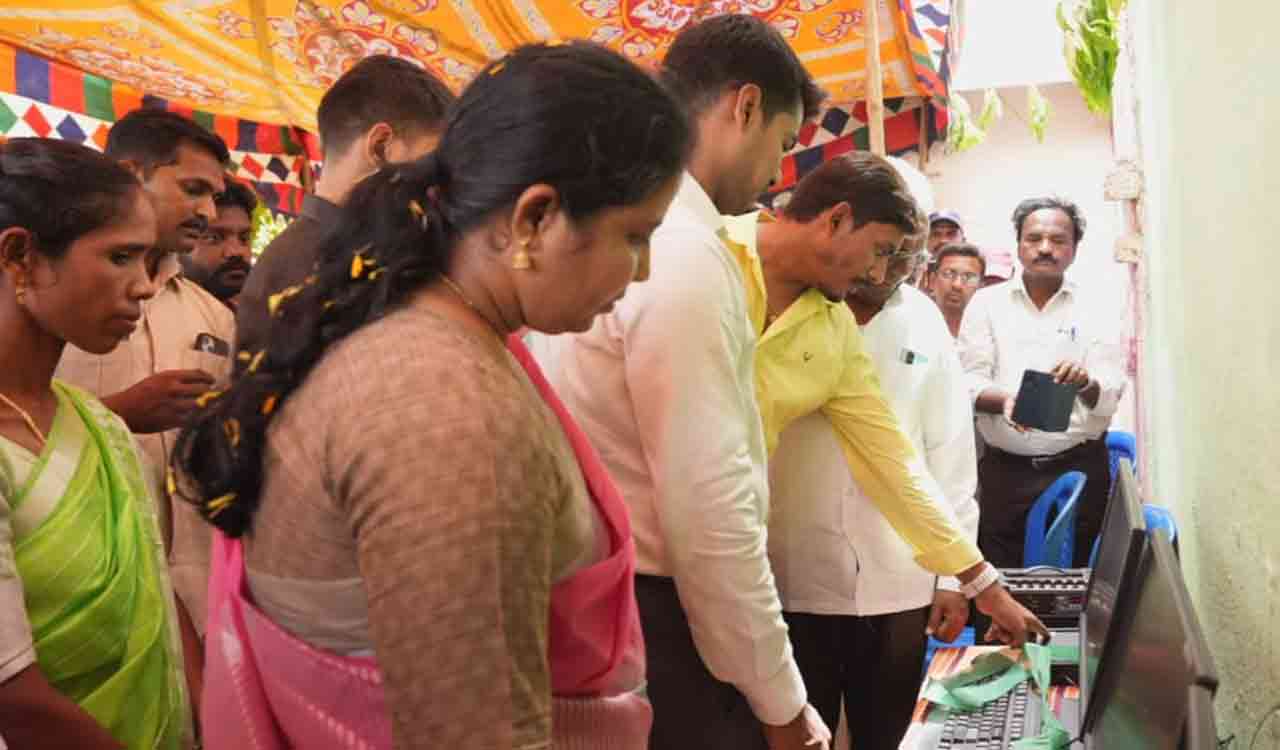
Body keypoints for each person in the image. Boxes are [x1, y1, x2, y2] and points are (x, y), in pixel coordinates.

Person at [173, 41, 690, 750]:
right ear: (535, 217)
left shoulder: (434, 332)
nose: (643, 270)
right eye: (636, 236)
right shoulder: (450, 412)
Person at [550, 15, 833, 750]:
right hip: (665, 620)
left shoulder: (622, 229)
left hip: (607, 600)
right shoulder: (682, 250)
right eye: (783, 140)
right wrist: (780, 698)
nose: (780, 171)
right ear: (742, 107)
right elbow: (708, 512)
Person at [722, 154, 1045, 748]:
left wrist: (971, 580)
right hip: (769, 567)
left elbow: (909, 458)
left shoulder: (873, 324)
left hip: (890, 572)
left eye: (904, 253)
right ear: (840, 222)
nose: (888, 266)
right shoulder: (725, 263)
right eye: (884, 248)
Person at [0, 138, 193, 749]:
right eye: (121, 257)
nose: (143, 286)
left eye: (147, 260)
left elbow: (157, 612)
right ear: (19, 256)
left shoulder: (100, 426)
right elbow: (16, 700)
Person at [55, 108, 231, 643]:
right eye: (194, 189)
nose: (208, 211)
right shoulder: (54, 299)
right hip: (81, 588)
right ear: (133, 174)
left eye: (215, 196)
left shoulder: (215, 317)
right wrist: (118, 414)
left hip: (196, 592)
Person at [235, 54, 455, 364]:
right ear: (380, 146)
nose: (434, 187)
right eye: (430, 165)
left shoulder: (361, 251)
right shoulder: (304, 267)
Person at [959, 197, 1127, 568]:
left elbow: (1111, 391)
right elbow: (967, 382)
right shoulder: (986, 304)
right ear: (1019, 244)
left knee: (1075, 590)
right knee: (1000, 591)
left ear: (1075, 249)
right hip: (1006, 476)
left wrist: (1085, 383)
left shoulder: (1097, 304)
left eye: (1058, 240)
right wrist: (1003, 401)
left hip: (1079, 468)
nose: (1046, 248)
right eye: (1034, 238)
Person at [183, 180, 256, 311]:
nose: (236, 251)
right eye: (213, 238)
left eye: (244, 238)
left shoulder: (253, 317)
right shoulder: (153, 312)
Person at [927, 242, 985, 338]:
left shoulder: (987, 333)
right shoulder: (915, 324)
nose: (957, 285)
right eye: (948, 274)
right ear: (932, 280)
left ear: (981, 287)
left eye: (968, 277)